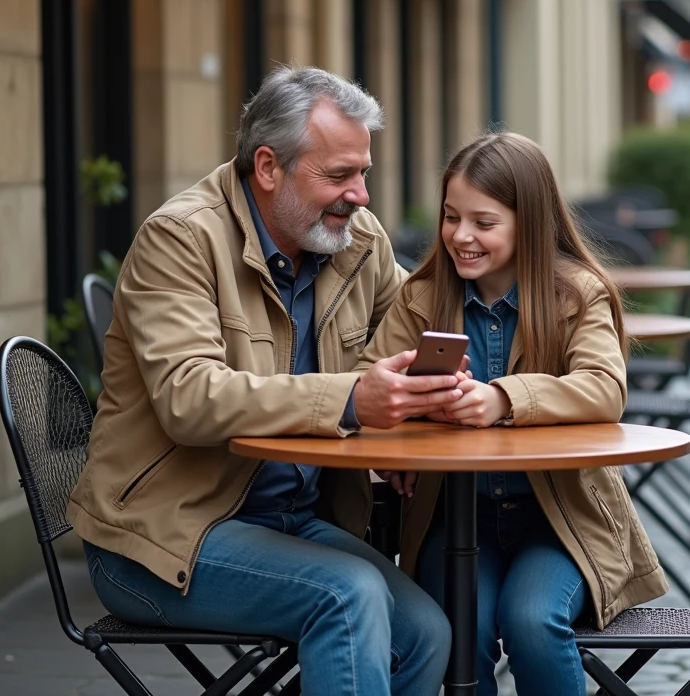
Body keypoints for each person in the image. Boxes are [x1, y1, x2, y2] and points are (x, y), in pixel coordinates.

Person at [67, 66, 460, 695]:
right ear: (269, 167)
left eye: (363, 172)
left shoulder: (358, 241)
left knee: (427, 633)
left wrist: (426, 399)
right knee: (348, 596)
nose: (359, 195)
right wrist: (355, 400)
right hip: (162, 539)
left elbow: (412, 335)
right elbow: (190, 399)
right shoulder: (182, 238)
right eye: (338, 176)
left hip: (293, 519)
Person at [357, 132, 669, 696]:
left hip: (560, 521)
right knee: (458, 629)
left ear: (530, 221)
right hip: (455, 518)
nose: (461, 236)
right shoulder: (422, 297)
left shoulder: (579, 294)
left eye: (484, 222)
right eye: (451, 217)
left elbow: (603, 389)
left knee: (532, 621)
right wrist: (401, 433)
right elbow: (371, 379)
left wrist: (503, 398)